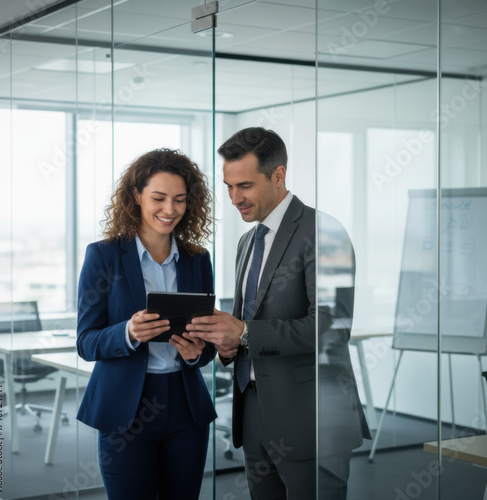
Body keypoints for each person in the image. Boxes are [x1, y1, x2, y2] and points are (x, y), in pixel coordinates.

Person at [187, 127, 371, 499]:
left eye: (245, 186)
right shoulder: (247, 242)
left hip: (311, 418)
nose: (235, 198)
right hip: (253, 410)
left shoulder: (327, 234)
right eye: (228, 186)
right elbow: (245, 324)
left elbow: (331, 329)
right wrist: (226, 343)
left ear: (278, 175)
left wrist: (244, 334)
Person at [76, 149, 217, 500]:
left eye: (180, 200)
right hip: (126, 408)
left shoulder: (197, 260)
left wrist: (197, 352)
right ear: (136, 196)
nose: (169, 210)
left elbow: (209, 341)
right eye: (159, 198)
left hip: (185, 406)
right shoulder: (103, 256)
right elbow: (86, 342)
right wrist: (128, 333)